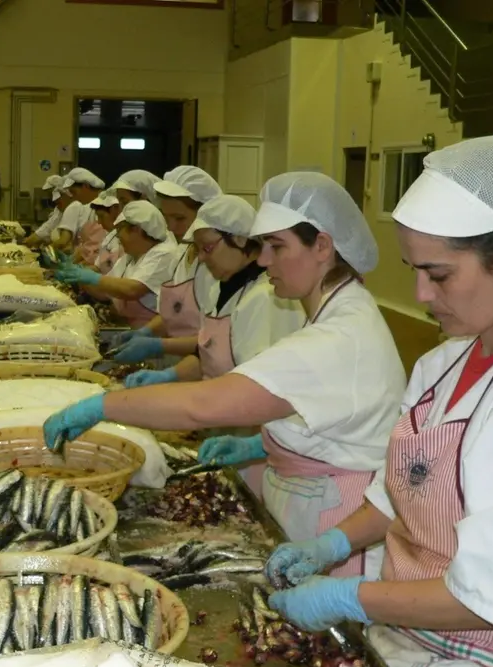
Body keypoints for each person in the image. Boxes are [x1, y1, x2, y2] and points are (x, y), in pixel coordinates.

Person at [264, 133, 493, 667]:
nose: (421, 295)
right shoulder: (442, 362)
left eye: (440, 275)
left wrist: (348, 595)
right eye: (414, 271)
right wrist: (335, 542)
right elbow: (403, 488)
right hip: (402, 641)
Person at [45, 172, 405, 578]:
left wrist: (101, 405)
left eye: (276, 246)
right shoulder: (340, 312)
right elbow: (330, 417)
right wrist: (259, 445)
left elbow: (202, 405)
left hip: (332, 520)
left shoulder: (338, 337)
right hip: (313, 500)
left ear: (322, 245)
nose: (264, 260)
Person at [124, 195, 304, 387]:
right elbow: (206, 353)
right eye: (198, 249)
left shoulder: (266, 297)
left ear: (240, 240)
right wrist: (169, 375)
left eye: (207, 248)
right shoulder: (218, 290)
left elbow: (256, 384)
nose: (201, 258)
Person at [110, 166, 221, 364]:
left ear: (208, 212)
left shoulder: (218, 265)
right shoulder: (182, 253)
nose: (172, 227)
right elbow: (172, 313)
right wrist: (147, 332)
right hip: (176, 360)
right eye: (166, 217)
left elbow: (216, 340)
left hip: (204, 366)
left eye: (179, 218)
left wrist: (158, 345)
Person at [55, 200, 178, 328]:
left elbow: (132, 289)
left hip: (152, 332)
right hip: (130, 327)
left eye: (120, 230)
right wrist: (78, 277)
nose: (118, 237)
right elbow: (105, 292)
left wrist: (92, 277)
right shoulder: (130, 256)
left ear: (135, 230)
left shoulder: (164, 253)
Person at [56, 167, 107, 263]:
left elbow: (101, 246)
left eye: (74, 192)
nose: (73, 197)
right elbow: (88, 244)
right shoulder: (90, 207)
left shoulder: (106, 205)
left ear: (86, 186)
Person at [25, 175, 72, 247]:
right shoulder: (58, 210)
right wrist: (36, 239)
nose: (52, 199)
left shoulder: (74, 209)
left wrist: (48, 247)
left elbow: (64, 241)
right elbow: (48, 227)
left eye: (51, 194)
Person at [90, 191, 123, 274]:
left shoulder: (129, 240)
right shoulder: (110, 237)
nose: (99, 222)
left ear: (115, 210)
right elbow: (98, 268)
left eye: (101, 216)